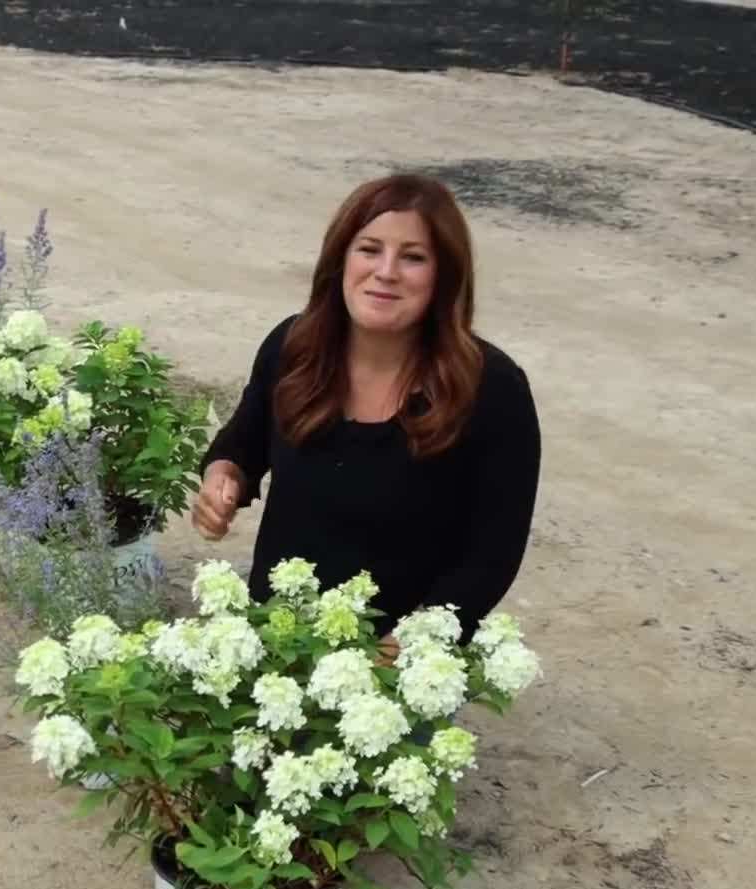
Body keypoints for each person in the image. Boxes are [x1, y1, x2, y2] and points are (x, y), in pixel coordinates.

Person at [191, 173, 541, 663]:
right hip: (276, 637)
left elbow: (494, 552)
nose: (387, 271)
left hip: (397, 660)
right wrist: (221, 480)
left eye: (414, 257)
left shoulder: (491, 388)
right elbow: (240, 446)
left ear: (445, 275)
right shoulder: (294, 348)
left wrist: (411, 643)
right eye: (369, 249)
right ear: (341, 259)